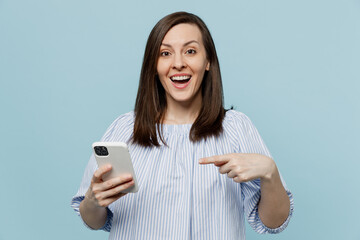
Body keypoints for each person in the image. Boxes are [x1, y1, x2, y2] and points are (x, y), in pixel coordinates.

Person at [71, 11, 294, 239]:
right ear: (153, 65)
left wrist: (270, 173)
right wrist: (93, 201)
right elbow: (93, 220)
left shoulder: (236, 128)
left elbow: (274, 223)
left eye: (190, 51)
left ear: (207, 61)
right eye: (165, 53)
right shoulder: (124, 129)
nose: (178, 64)